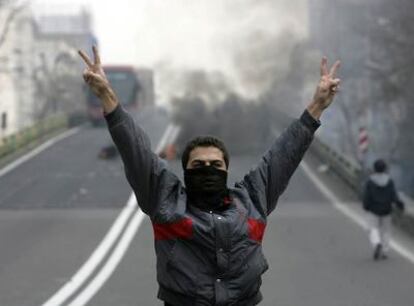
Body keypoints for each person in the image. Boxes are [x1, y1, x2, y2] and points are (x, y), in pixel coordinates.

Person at [79, 46, 341, 306]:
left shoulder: (251, 200)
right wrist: (106, 95)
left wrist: (317, 105)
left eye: (215, 164)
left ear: (226, 170)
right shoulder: (165, 202)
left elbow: (284, 155)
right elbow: (135, 151)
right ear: (185, 170)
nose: (207, 169)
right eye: (199, 164)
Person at [363, 159, 405, 260]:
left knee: (372, 228)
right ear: (385, 169)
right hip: (387, 209)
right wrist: (399, 204)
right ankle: (385, 252)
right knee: (386, 231)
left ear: (374, 168)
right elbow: (393, 195)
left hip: (373, 209)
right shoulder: (389, 181)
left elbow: (367, 196)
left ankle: (377, 243)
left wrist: (366, 206)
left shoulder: (370, 181)